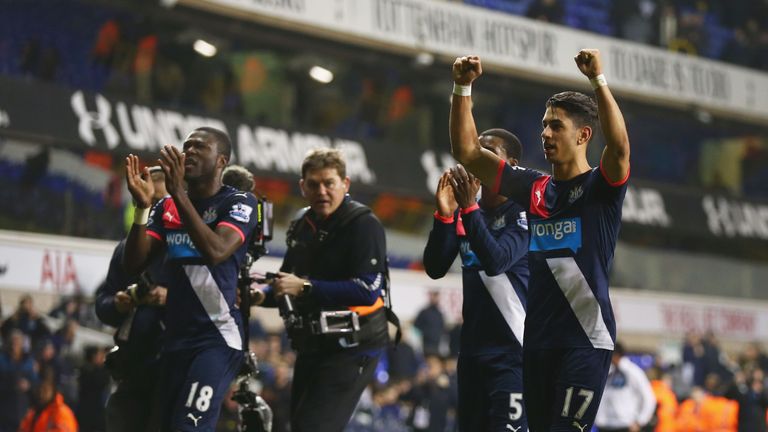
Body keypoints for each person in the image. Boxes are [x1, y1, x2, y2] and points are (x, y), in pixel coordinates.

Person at [449, 49, 631, 431]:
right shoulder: (532, 187)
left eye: (556, 126)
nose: (545, 134)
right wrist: (462, 87)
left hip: (585, 340)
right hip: (536, 342)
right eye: (544, 125)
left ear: (583, 135)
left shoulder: (600, 188)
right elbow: (467, 152)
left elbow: (619, 149)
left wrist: (598, 81)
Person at [123, 126, 260, 431]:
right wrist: (142, 209)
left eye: (200, 147)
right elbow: (133, 264)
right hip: (175, 339)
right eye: (187, 147)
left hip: (217, 339)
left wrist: (178, 194)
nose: (190, 153)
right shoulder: (167, 206)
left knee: (189, 427)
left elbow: (217, 250)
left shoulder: (239, 203)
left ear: (222, 161)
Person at [256, 148, 390, 432]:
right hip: (313, 345)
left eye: (329, 182)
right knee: (301, 425)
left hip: (354, 345)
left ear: (345, 184)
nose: (322, 191)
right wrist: (259, 296)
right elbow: (287, 283)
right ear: (302, 187)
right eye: (314, 184)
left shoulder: (364, 225)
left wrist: (305, 287)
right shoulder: (301, 224)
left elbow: (367, 290)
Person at [423, 128, 530, 432]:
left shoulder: (526, 213)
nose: (477, 161)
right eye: (475, 153)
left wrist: (468, 209)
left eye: (488, 154)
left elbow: (497, 261)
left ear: (512, 164)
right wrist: (445, 215)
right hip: (471, 355)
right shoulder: (466, 213)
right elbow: (435, 267)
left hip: (514, 355)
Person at [95, 164, 168, 432]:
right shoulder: (126, 251)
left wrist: (170, 298)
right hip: (132, 369)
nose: (154, 208)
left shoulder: (188, 249)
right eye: (148, 201)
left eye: (161, 201)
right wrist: (117, 303)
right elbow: (102, 305)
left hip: (172, 370)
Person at [594, 343, 657, 432]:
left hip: (625, 426)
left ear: (616, 355)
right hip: (605, 426)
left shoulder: (633, 372)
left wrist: (640, 422)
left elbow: (649, 398)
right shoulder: (608, 373)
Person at [18, 366, 78, 432]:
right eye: (39, 389)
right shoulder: (33, 413)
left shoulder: (61, 413)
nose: (41, 394)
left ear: (53, 390)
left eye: (45, 390)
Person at [413, 290, 445, 356]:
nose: (435, 298)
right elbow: (416, 324)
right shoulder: (424, 312)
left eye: (436, 296)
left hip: (437, 345)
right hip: (427, 344)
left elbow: (442, 327)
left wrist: (438, 334)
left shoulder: (439, 313)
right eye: (434, 296)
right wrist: (427, 333)